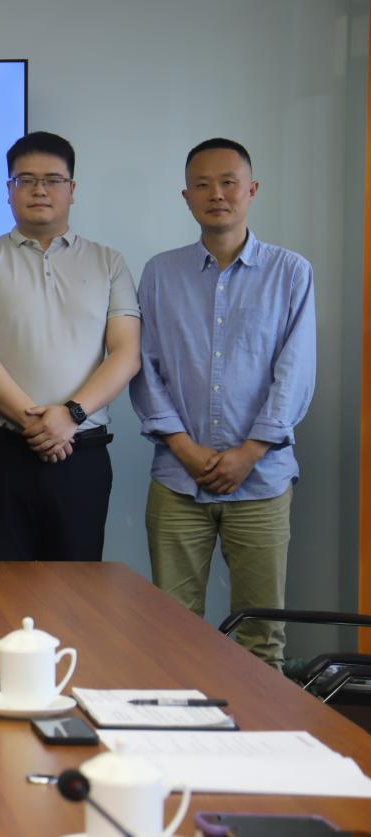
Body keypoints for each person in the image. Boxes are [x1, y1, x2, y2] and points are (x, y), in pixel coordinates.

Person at [130, 138, 316, 668]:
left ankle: (257, 726)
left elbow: (296, 372)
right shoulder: (160, 273)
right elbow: (145, 366)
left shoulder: (290, 272)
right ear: (186, 196)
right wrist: (184, 447)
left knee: (262, 636)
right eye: (203, 184)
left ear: (251, 190)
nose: (217, 194)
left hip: (262, 479)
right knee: (172, 630)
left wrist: (250, 451)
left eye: (228, 182)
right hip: (177, 477)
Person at [0, 131, 140, 562]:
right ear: (9, 189)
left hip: (83, 451)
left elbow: (127, 353)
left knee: (77, 588)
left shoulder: (108, 262)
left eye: (53, 180)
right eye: (26, 180)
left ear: (72, 189)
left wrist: (70, 415)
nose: (40, 190)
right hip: (2, 451)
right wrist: (37, 424)